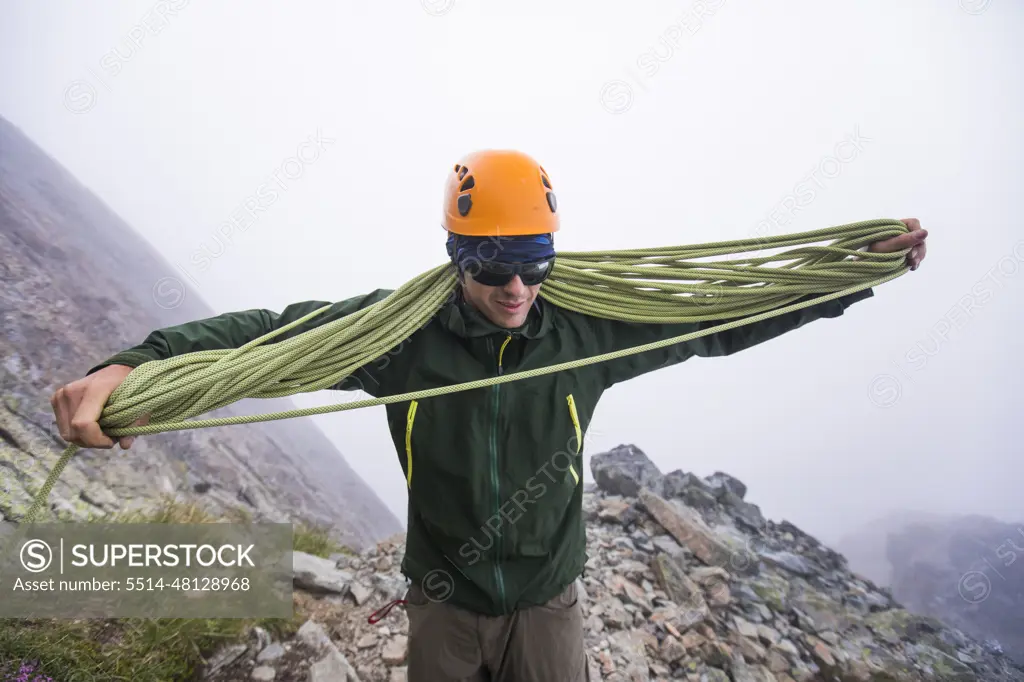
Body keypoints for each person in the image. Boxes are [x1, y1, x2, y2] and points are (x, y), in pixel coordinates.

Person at [50, 150, 928, 681]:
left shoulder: (585, 331)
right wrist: (135, 365)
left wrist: (845, 279)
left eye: (535, 264)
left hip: (551, 605)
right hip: (443, 604)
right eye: (493, 265)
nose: (516, 288)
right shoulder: (400, 338)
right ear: (455, 256)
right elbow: (268, 336)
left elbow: (715, 318)